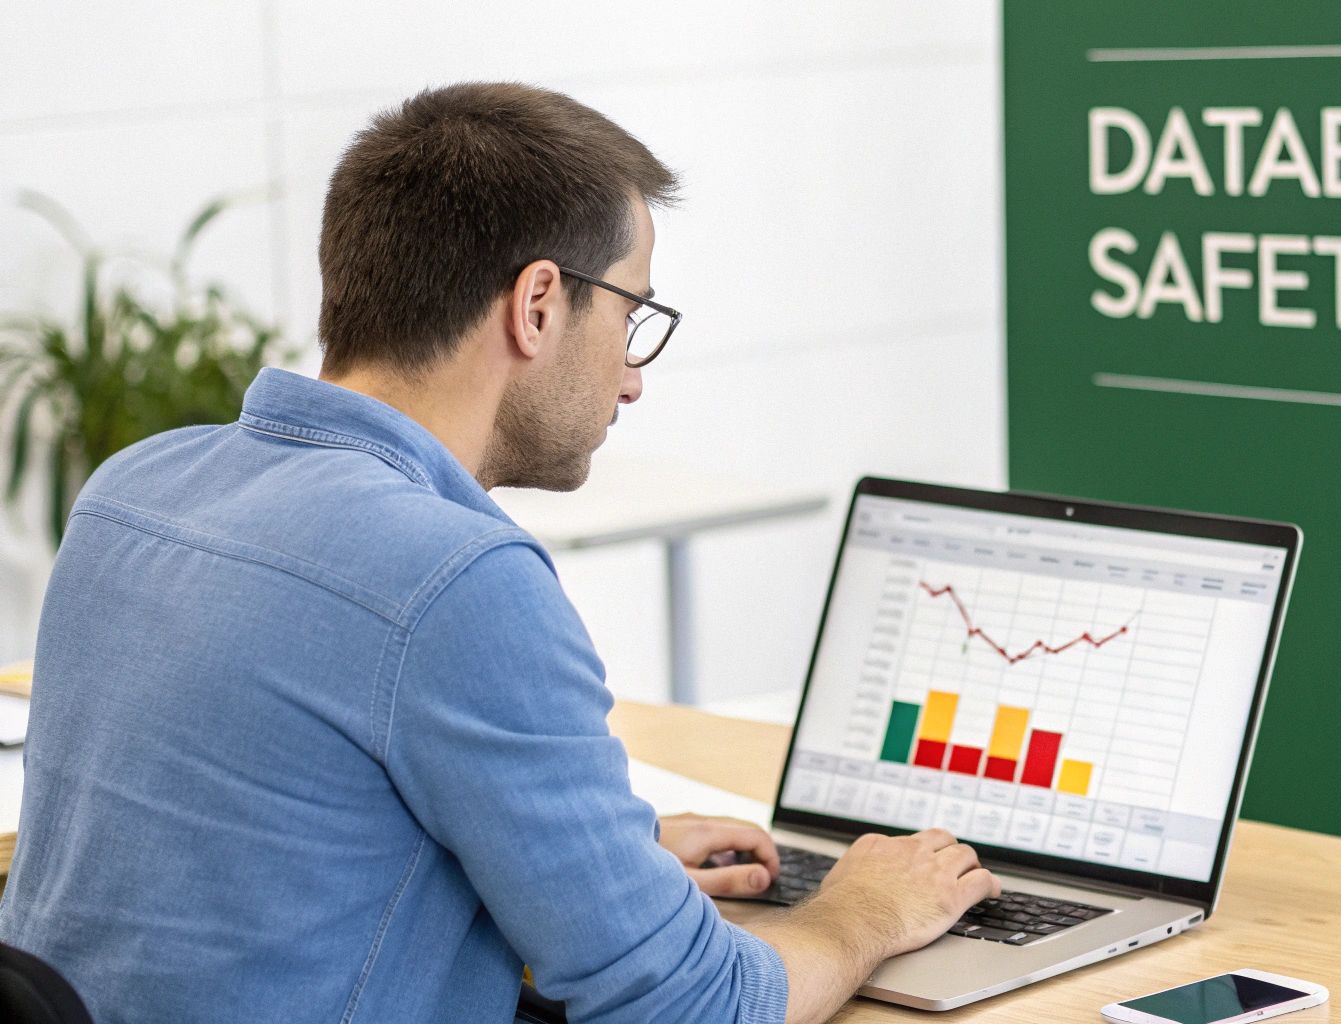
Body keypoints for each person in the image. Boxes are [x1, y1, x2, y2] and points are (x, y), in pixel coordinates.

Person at [0, 82, 998, 1024]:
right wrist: (862, 909)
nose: (633, 379)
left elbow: (271, 846)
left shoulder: (133, 490)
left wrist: (605, 860)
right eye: (631, 316)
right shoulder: (451, 579)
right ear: (537, 305)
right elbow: (692, 1004)